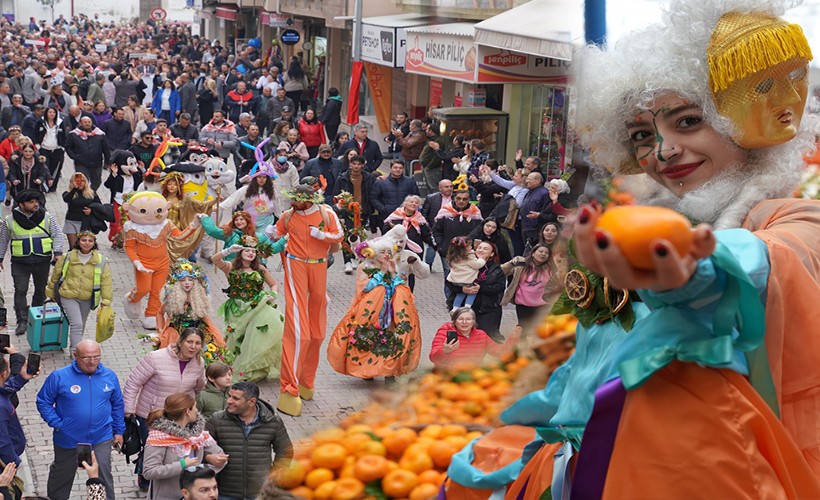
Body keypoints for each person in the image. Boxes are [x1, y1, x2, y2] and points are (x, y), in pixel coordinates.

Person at [267, 184, 343, 416]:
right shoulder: (288, 215)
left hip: (319, 266)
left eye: (298, 200)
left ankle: (305, 381)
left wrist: (323, 236)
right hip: (295, 263)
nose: (294, 203)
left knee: (317, 332)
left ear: (308, 200)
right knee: (299, 328)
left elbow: (340, 236)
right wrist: (270, 235)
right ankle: (289, 387)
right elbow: (276, 235)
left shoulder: (326, 213)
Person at [36, 340, 125, 500]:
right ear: (75, 355)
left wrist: (119, 430)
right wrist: (57, 424)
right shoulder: (59, 376)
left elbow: (117, 404)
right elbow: (43, 401)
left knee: (103, 475)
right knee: (62, 476)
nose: (92, 362)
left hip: (101, 437)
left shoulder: (109, 376)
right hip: (68, 439)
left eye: (96, 357)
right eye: (86, 358)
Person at [122, 327, 207, 491]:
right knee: (153, 450)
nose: (193, 347)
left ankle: (172, 482)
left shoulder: (199, 363)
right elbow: (134, 383)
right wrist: (129, 409)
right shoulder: (155, 358)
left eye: (198, 343)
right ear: (180, 342)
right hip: (152, 415)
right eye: (189, 342)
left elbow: (199, 387)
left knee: (174, 451)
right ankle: (146, 476)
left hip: (179, 417)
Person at [327, 236, 422, 382]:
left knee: (391, 338)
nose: (387, 255)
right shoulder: (365, 267)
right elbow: (365, 287)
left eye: (389, 252)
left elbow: (401, 285)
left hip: (391, 311)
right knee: (371, 337)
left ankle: (389, 373)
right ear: (376, 253)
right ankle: (369, 369)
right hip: (372, 311)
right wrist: (382, 273)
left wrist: (391, 273)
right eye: (383, 252)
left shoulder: (393, 266)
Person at [211, 235, 286, 382]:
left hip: (258, 306)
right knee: (237, 338)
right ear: (240, 252)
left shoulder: (260, 269)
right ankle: (234, 368)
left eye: (253, 251)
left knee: (255, 337)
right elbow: (215, 260)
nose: (251, 253)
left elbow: (274, 284)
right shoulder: (230, 267)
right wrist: (228, 250)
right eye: (247, 250)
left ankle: (252, 368)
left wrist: (273, 294)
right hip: (236, 309)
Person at [205, 382, 293, 499]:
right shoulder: (217, 420)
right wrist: (207, 457)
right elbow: (200, 447)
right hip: (225, 493)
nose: (229, 401)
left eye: (235, 398)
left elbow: (285, 450)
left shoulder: (272, 421)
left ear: (251, 402)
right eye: (229, 396)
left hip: (259, 493)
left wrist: (275, 477)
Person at [0, 189, 64, 335]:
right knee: (20, 290)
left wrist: (58, 252)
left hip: (42, 259)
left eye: (37, 201)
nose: (36, 204)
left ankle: (35, 316)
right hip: (20, 262)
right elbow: (3, 239)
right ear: (22, 204)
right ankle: (21, 321)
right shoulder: (10, 220)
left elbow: (57, 234)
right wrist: (0, 258)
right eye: (31, 202)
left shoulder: (47, 217)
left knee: (41, 289)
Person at [142, 393, 227, 500]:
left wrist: (200, 471)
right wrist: (182, 465)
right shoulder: (159, 437)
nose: (197, 411)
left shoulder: (199, 435)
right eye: (195, 407)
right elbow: (149, 472)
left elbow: (221, 457)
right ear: (187, 411)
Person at [45, 231, 112, 350]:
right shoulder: (68, 257)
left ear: (94, 243)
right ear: (78, 241)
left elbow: (106, 281)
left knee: (81, 324)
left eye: (90, 241)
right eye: (84, 240)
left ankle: (75, 346)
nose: (87, 243)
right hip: (68, 295)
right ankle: (75, 353)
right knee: (77, 324)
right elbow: (56, 275)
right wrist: (50, 291)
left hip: (87, 298)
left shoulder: (101, 260)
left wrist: (106, 300)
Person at [156, 259, 224, 350]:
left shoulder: (199, 297)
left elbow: (204, 317)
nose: (187, 283)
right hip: (176, 333)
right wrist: (161, 330)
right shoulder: (171, 298)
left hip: (196, 331)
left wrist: (215, 332)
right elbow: (160, 313)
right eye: (183, 280)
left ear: (194, 282)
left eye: (190, 280)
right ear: (177, 283)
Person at [429, 308, 518, 370]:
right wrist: (445, 351)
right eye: (460, 319)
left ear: (473, 322)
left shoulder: (481, 335)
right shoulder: (444, 333)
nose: (464, 322)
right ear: (454, 321)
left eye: (468, 319)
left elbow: (501, 353)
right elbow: (433, 358)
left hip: (473, 375)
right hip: (448, 376)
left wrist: (513, 338)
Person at [0, 346, 37, 497]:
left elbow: (5, 390)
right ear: (4, 374)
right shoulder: (1, 408)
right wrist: (13, 464)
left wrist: (21, 378)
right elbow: (3, 442)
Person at [501, 244, 560, 335]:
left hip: (542, 305)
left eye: (546, 253)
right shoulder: (521, 264)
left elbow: (559, 283)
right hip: (523, 304)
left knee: (540, 331)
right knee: (522, 329)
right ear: (533, 253)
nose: (543, 254)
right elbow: (501, 272)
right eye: (540, 251)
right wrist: (511, 263)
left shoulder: (551, 268)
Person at [333, 155, 375, 274]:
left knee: (361, 236)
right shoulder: (342, 178)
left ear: (363, 165)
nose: (356, 166)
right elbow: (336, 195)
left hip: (363, 211)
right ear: (350, 164)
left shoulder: (369, 178)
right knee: (348, 236)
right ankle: (348, 261)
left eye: (359, 164)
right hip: (348, 212)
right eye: (354, 164)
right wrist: (341, 209)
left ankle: (358, 258)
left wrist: (370, 209)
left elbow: (373, 193)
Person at [383, 194, 435, 290]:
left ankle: (409, 294)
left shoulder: (420, 219)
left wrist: (435, 245)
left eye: (416, 203)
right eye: (411, 202)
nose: (414, 204)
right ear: (405, 203)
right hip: (396, 249)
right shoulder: (395, 216)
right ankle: (391, 292)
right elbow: (385, 232)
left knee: (411, 272)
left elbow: (426, 235)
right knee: (394, 269)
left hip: (414, 249)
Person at [432, 189, 483, 281]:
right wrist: (440, 246)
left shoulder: (475, 212)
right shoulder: (445, 211)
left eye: (464, 199)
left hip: (468, 252)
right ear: (454, 198)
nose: (461, 201)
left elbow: (479, 231)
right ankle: (449, 296)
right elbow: (437, 230)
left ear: (469, 200)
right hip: (448, 251)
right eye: (458, 198)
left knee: (467, 277)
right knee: (449, 278)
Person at [200, 210, 271, 262]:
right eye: (236, 220)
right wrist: (205, 218)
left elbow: (271, 248)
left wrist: (279, 237)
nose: (238, 222)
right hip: (232, 265)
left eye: (241, 219)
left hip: (250, 265)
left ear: (247, 221)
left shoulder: (256, 236)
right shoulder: (229, 233)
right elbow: (213, 231)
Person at [65, 115, 111, 190]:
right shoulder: (73, 134)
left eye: (89, 122)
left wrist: (107, 161)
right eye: (85, 122)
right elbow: (68, 147)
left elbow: (106, 149)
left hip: (96, 163)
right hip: (81, 163)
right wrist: (74, 157)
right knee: (80, 181)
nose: (87, 124)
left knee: (97, 182)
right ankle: (82, 196)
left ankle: (91, 194)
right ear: (80, 123)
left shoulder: (100, 134)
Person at [371, 160, 420, 230]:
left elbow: (416, 196)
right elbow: (374, 198)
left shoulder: (410, 182)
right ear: (391, 168)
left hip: (406, 216)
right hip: (387, 215)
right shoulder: (381, 182)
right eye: (395, 167)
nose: (398, 170)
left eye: (400, 168)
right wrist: (382, 209)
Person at [62, 172, 103, 249]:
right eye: (77, 181)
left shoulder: (91, 194)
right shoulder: (68, 193)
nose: (80, 183)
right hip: (71, 222)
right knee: (73, 248)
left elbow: (99, 207)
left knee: (85, 247)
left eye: (82, 181)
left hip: (86, 222)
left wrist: (91, 211)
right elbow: (66, 199)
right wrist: (74, 188)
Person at [445, 236, 486, 311]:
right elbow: (477, 265)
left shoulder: (454, 256)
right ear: (465, 249)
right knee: (472, 292)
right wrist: (482, 259)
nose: (471, 247)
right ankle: (467, 307)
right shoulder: (468, 256)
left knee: (460, 294)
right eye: (470, 246)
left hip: (455, 280)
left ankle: (455, 308)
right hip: (466, 279)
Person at [36, 106, 66, 193]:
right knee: (45, 168)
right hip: (44, 149)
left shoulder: (60, 122)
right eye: (50, 112)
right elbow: (35, 134)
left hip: (57, 149)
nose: (52, 114)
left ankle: (53, 187)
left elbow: (64, 135)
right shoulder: (40, 122)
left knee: (55, 169)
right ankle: (44, 187)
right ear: (46, 113)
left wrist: (63, 146)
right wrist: (37, 144)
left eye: (53, 112)